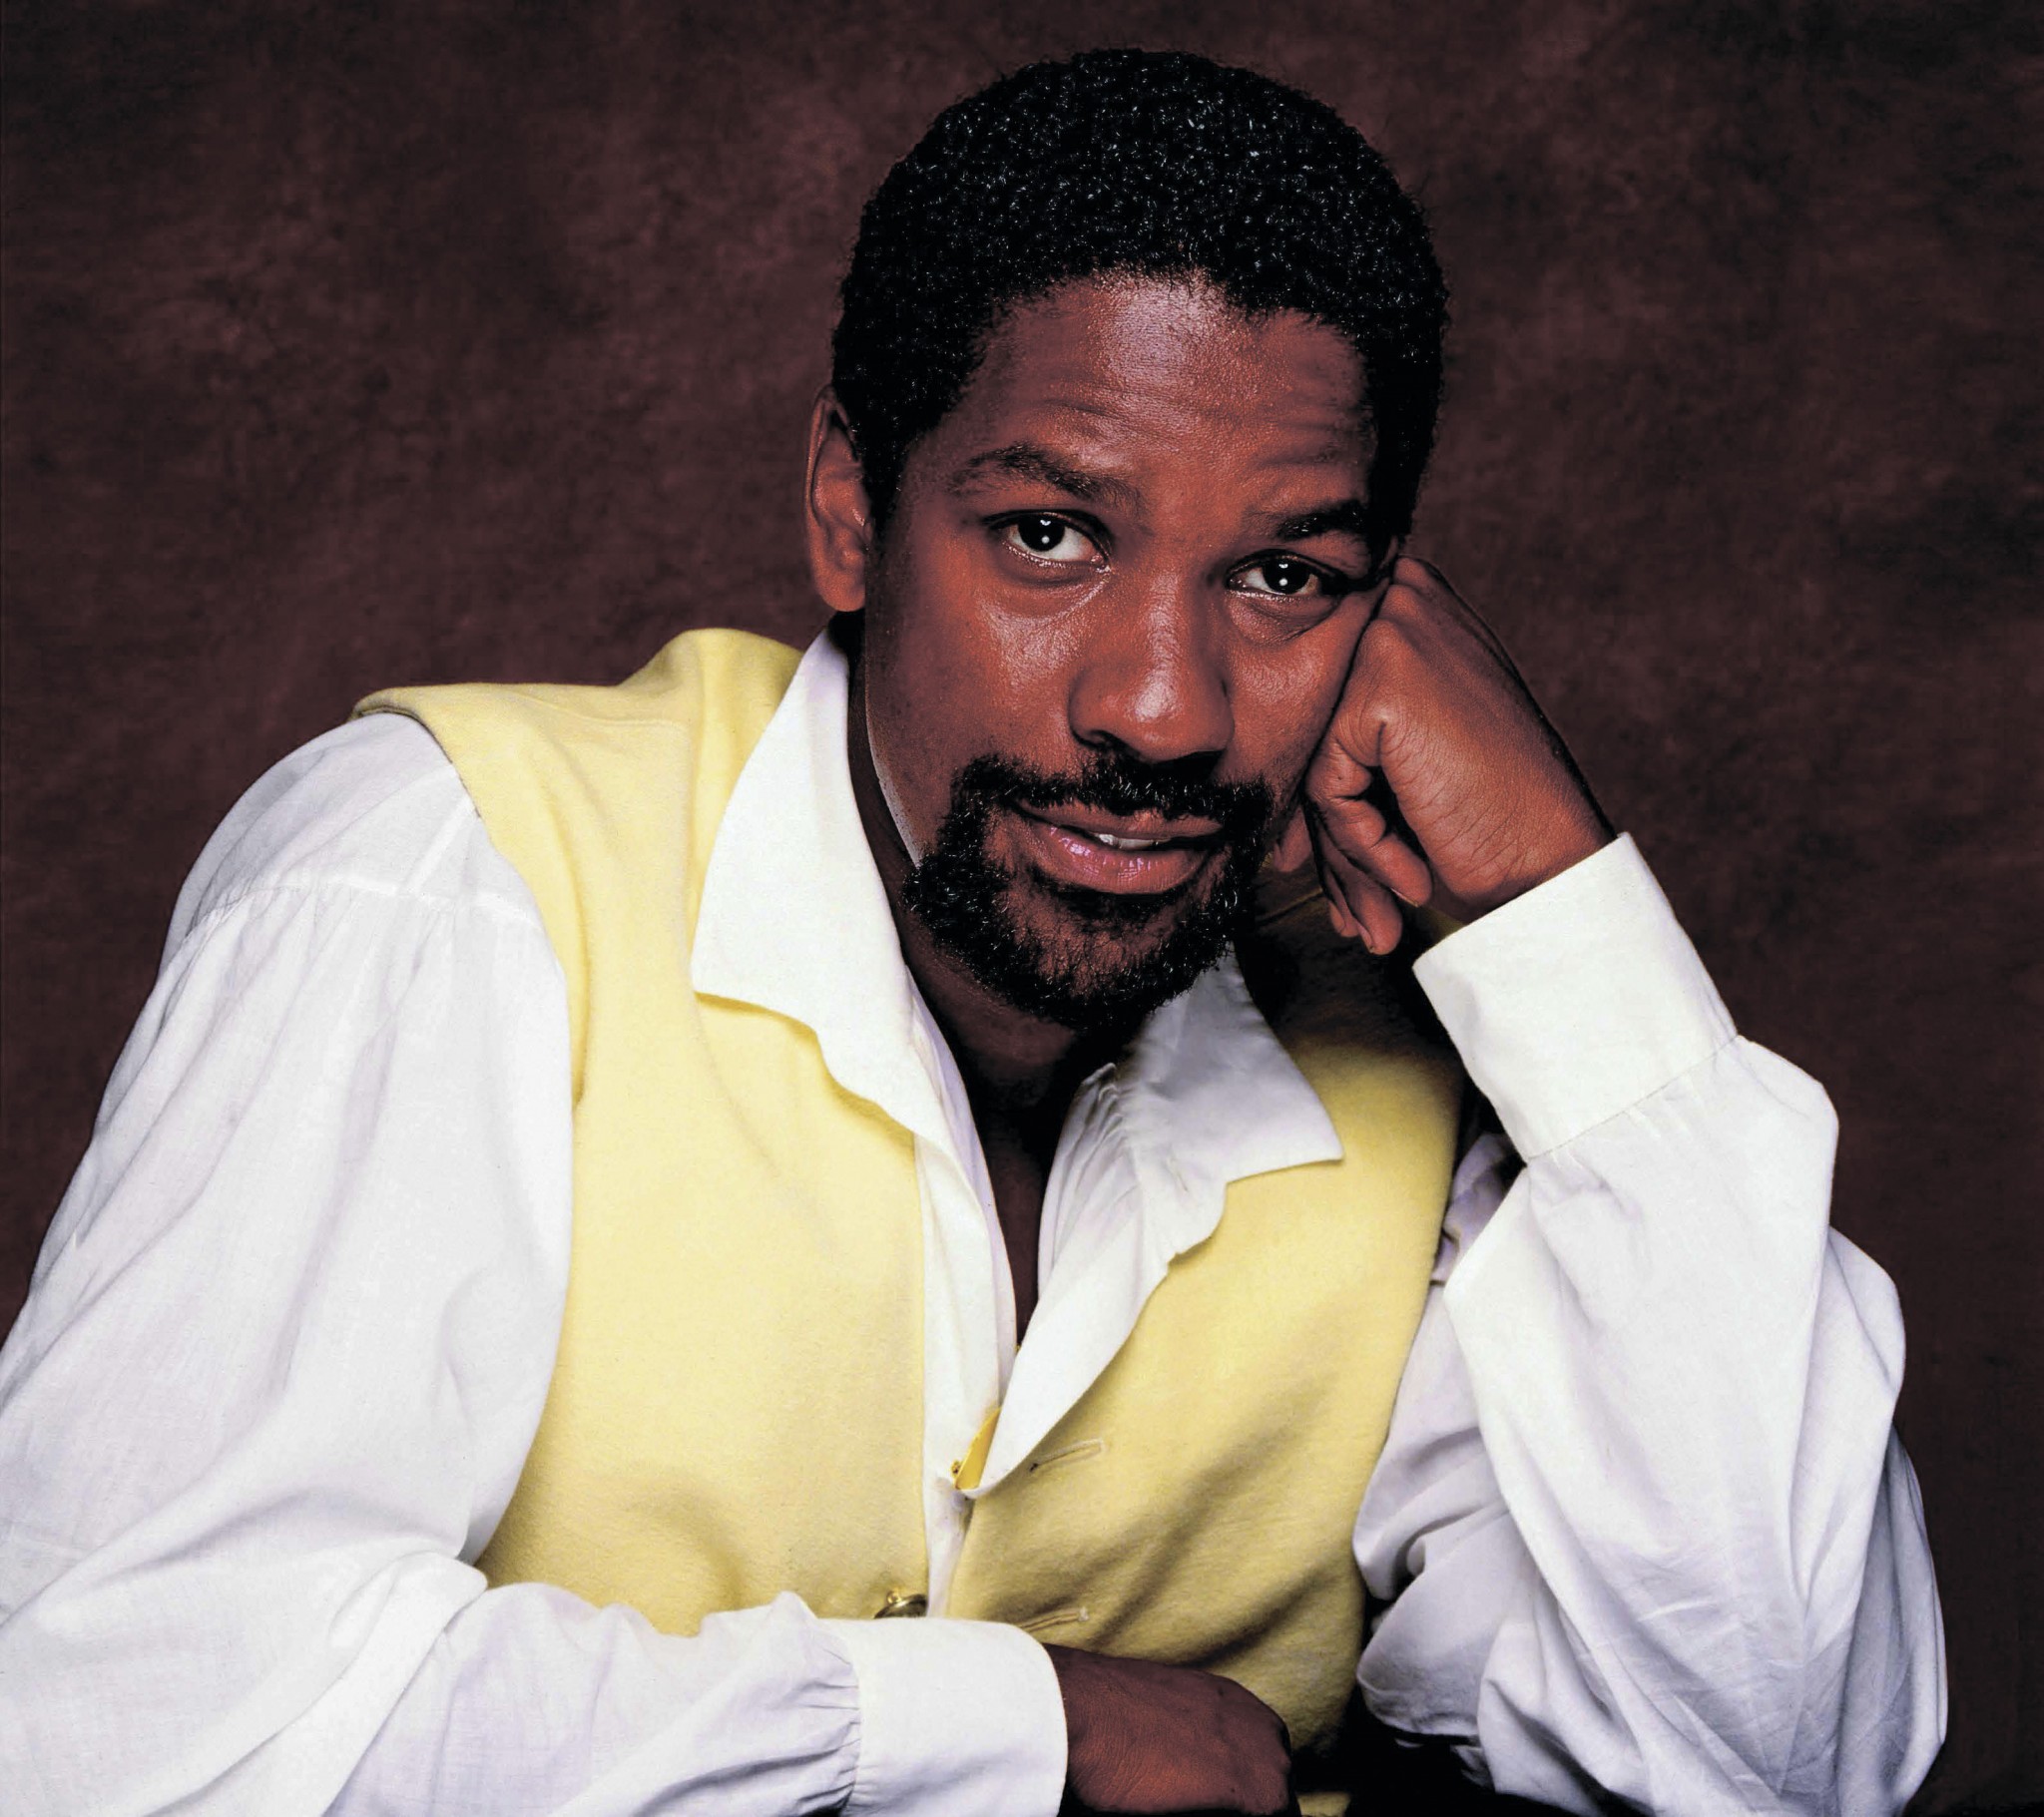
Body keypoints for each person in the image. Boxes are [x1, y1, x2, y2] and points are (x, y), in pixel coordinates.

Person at [0, 49, 1943, 1817]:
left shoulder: (1407, 1036)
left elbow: (1774, 1762)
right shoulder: (447, 874)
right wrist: (1010, 1726)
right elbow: (114, 1735)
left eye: (1282, 574)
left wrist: (1560, 916)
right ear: (851, 510)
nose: (1160, 706)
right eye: (1049, 536)